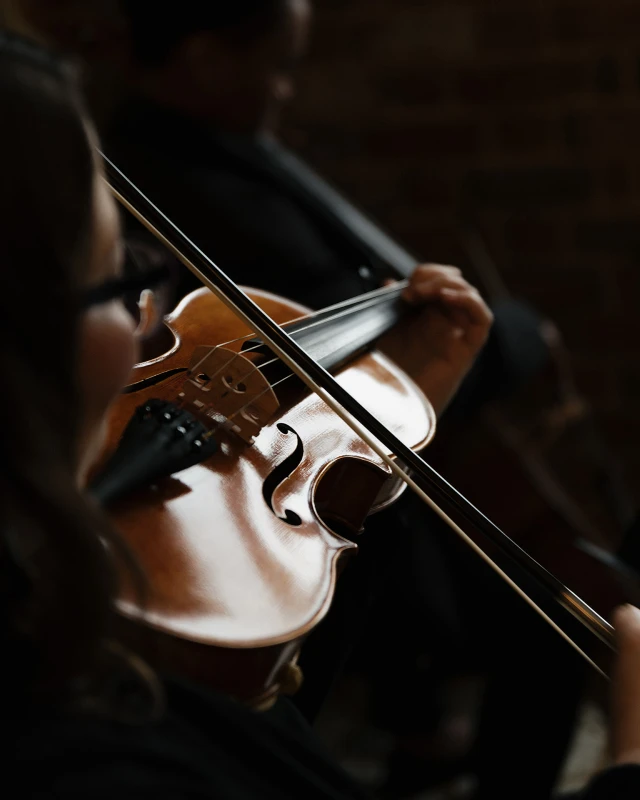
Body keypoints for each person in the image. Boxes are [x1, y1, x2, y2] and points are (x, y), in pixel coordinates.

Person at [1, 27, 640, 800]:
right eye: (113, 282)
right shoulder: (79, 739)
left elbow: (263, 718)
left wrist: (379, 438)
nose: (145, 326)